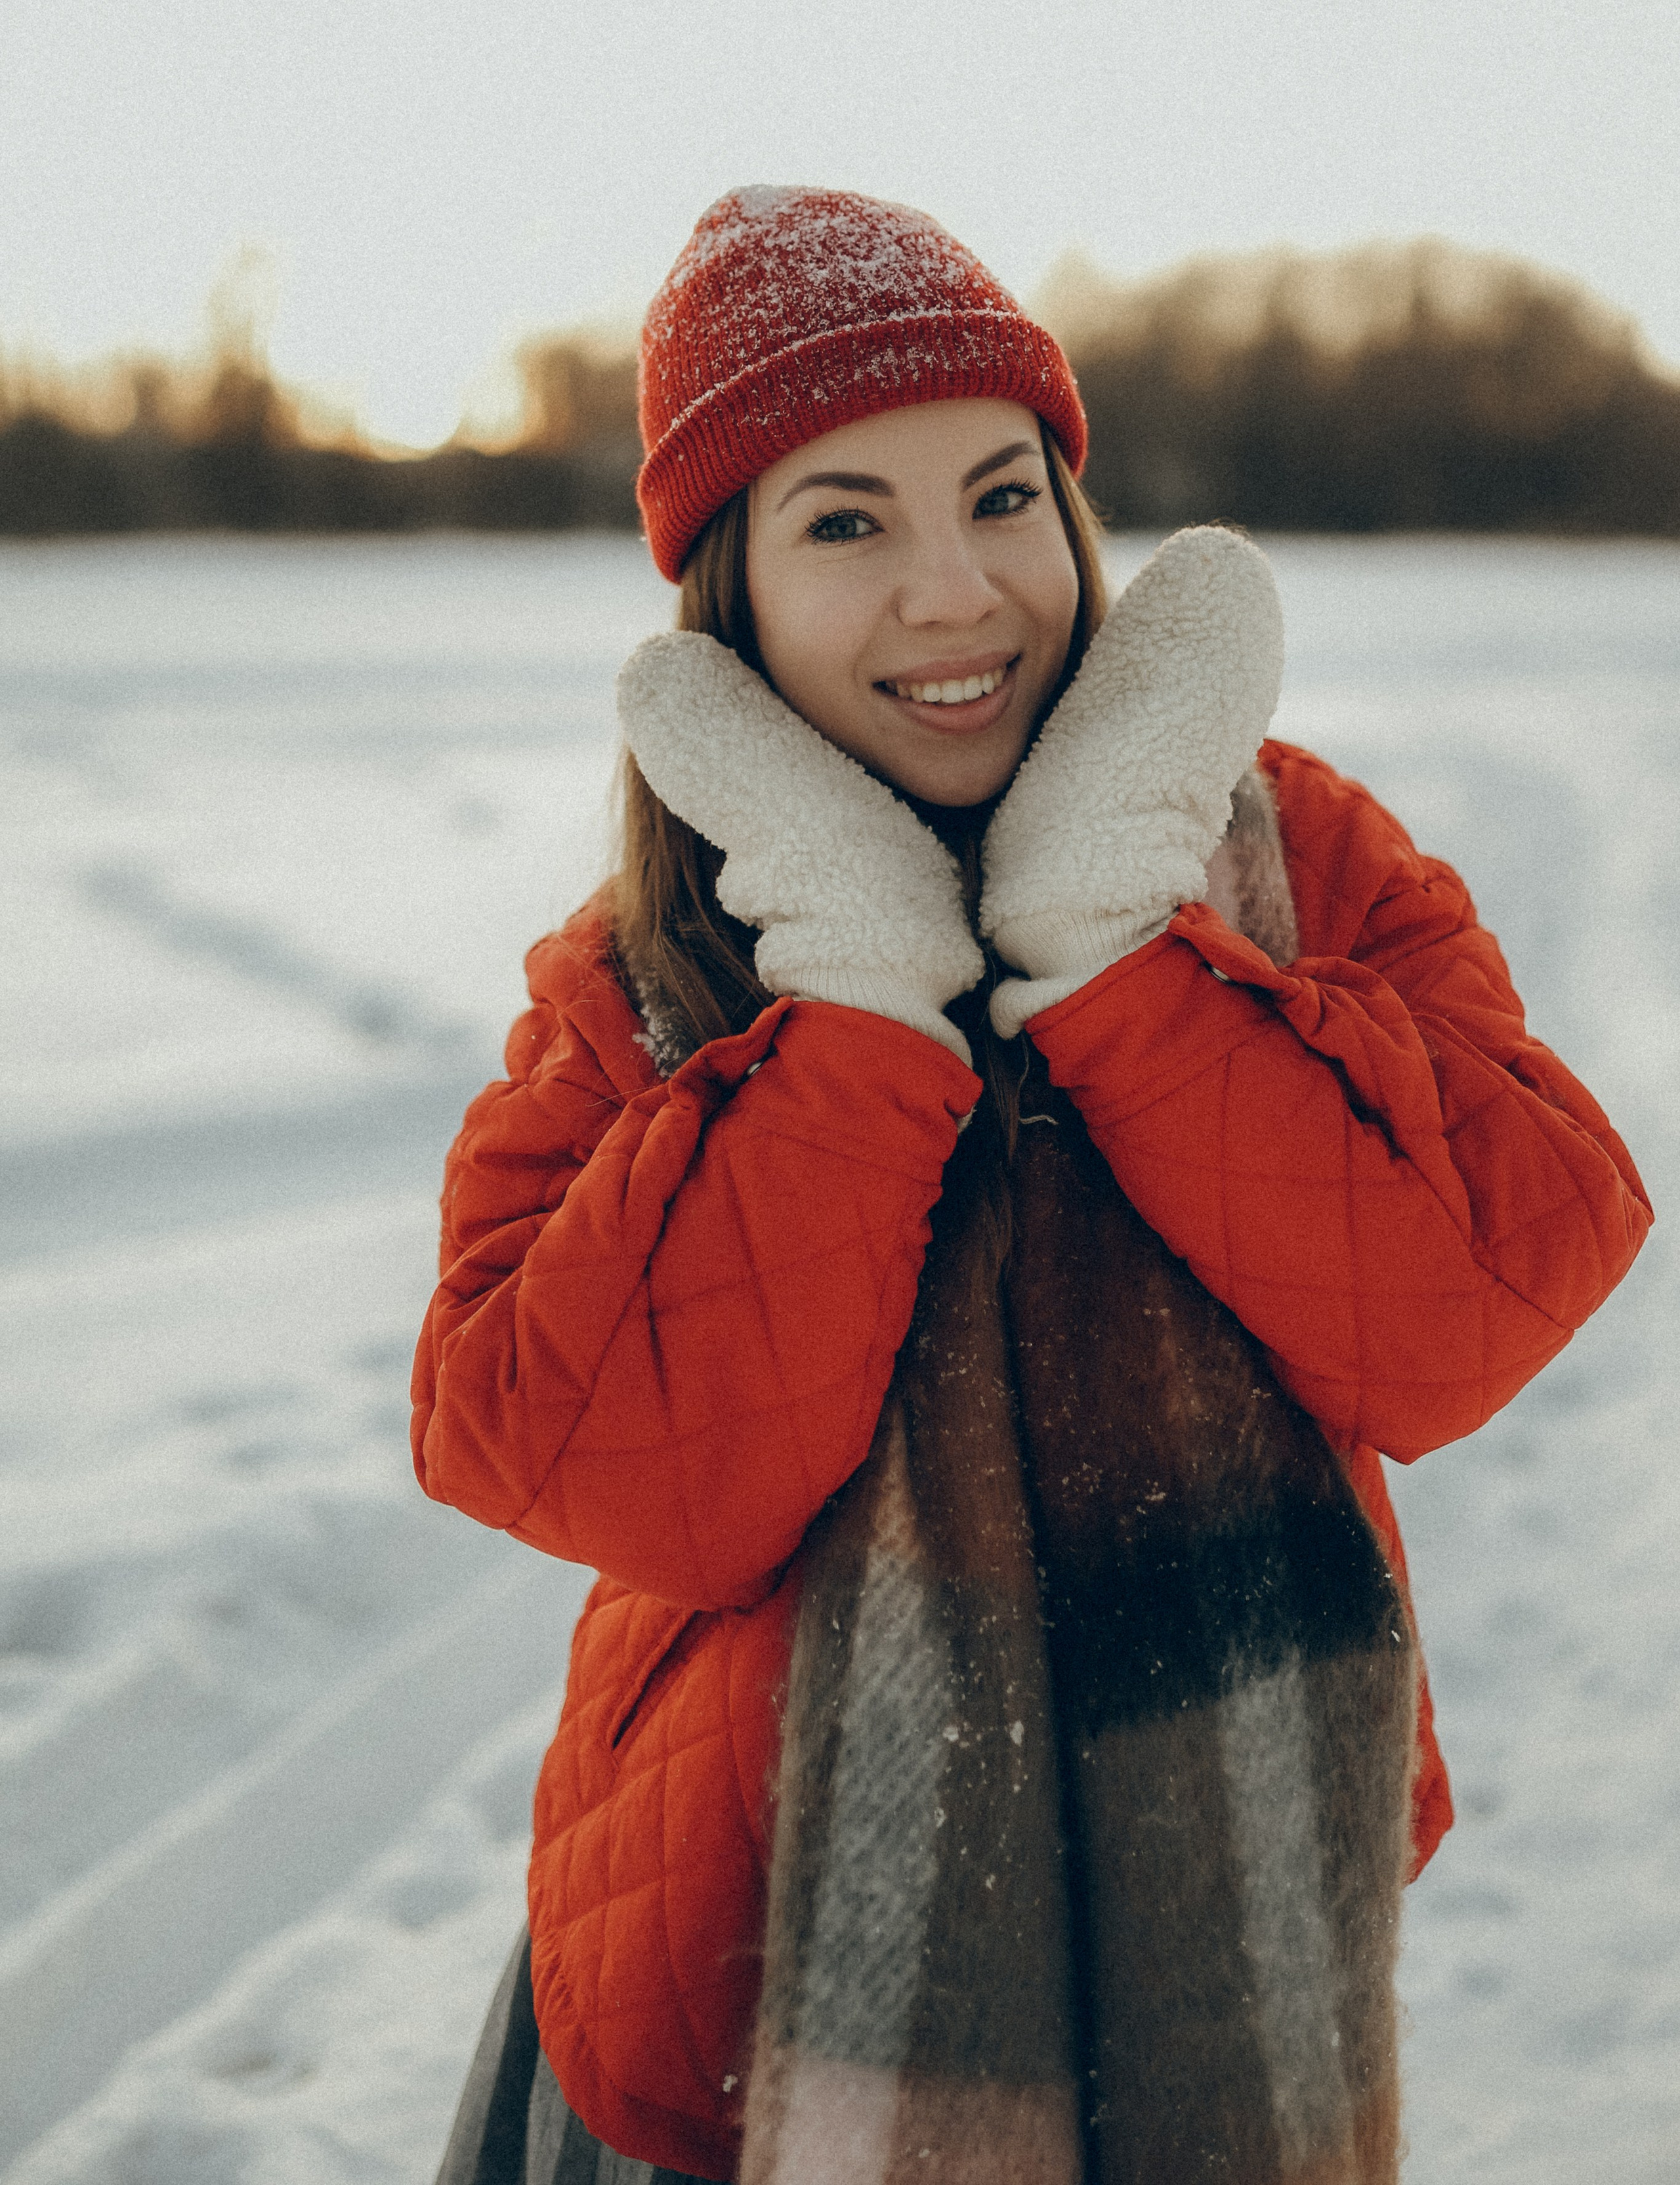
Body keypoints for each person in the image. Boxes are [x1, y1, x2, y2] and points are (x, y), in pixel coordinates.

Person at [415, 186, 1650, 2185]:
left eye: (1001, 497)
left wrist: (1128, 962)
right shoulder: (638, 978)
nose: (956, 594)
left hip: (1222, 1926)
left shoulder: (1298, 866)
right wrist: (854, 1009)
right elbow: (620, 1473)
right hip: (752, 1974)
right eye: (846, 523)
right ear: (726, 598)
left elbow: (1477, 1306)